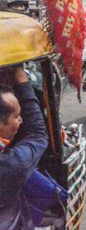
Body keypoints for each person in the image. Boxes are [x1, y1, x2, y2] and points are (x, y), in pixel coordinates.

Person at [0, 67, 48, 229]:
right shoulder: (10, 165)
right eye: (16, 116)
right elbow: (37, 134)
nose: (20, 121)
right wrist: (21, 77)